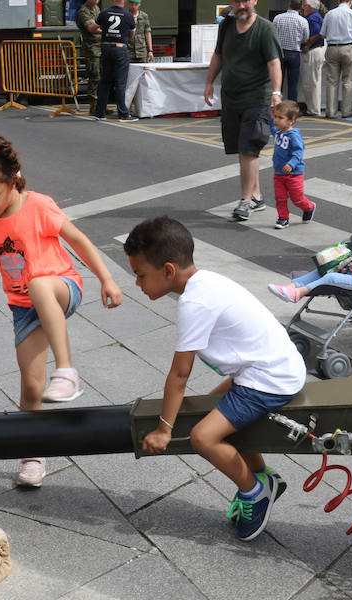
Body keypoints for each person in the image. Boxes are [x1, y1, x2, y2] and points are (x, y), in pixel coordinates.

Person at [0, 134, 123, 487]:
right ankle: (33, 453)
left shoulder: (39, 206)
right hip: (24, 308)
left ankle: (67, 371)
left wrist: (107, 279)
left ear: (13, 181)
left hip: (62, 287)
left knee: (39, 284)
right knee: (31, 388)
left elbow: (79, 240)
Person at [124, 216, 305, 541]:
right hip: (271, 366)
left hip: (268, 379)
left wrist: (164, 430)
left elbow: (180, 374)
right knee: (217, 418)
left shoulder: (193, 303)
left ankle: (255, 491)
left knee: (202, 437)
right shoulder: (204, 281)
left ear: (167, 271)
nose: (138, 283)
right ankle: (264, 476)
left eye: (140, 275)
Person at [204, 0, 283, 221]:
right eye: (237, 1)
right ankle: (256, 197)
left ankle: (245, 201)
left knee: (249, 149)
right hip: (231, 98)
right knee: (243, 149)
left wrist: (276, 92)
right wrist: (209, 81)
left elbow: (274, 63)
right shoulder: (226, 26)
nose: (241, 5)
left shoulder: (265, 29)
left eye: (245, 1)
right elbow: (218, 55)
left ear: (254, 1)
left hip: (256, 98)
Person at [270, 101, 315, 229]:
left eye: (280, 118)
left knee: (297, 198)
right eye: (275, 116)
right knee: (280, 198)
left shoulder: (294, 136)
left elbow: (298, 152)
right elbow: (271, 126)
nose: (276, 120)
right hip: (279, 173)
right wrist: (270, 112)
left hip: (294, 174)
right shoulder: (278, 132)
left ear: (291, 120)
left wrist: (291, 164)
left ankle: (309, 207)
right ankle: (283, 218)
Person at [94, 0, 137, 122]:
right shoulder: (128, 16)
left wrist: (106, 32)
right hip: (120, 48)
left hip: (106, 47)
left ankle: (99, 113)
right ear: (124, 1)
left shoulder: (104, 13)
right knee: (120, 83)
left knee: (105, 81)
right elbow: (132, 35)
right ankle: (123, 113)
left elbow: (93, 28)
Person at [320, 0, 352, 119]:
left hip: (332, 48)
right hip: (348, 47)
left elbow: (323, 34)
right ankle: (346, 111)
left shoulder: (329, 14)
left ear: (338, 1)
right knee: (348, 81)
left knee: (332, 81)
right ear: (350, 1)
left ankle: (330, 111)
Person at [273, 0, 310, 103]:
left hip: (280, 52)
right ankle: (291, 107)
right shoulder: (303, 21)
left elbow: (273, 34)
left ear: (289, 5)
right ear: (301, 7)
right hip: (294, 52)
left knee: (278, 82)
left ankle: (277, 105)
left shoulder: (278, 18)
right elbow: (305, 38)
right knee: (293, 83)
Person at [77, 0, 103, 116]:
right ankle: (93, 107)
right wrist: (106, 31)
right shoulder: (84, 12)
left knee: (103, 76)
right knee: (95, 76)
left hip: (101, 46)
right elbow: (91, 28)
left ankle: (101, 105)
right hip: (91, 48)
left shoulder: (97, 9)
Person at [300, 0, 326, 116]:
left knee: (311, 82)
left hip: (313, 51)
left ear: (310, 7)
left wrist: (307, 45)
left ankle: (313, 109)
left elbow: (316, 34)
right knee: (313, 81)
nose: (303, 7)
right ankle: (313, 108)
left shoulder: (313, 18)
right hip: (316, 50)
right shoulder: (315, 16)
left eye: (304, 5)